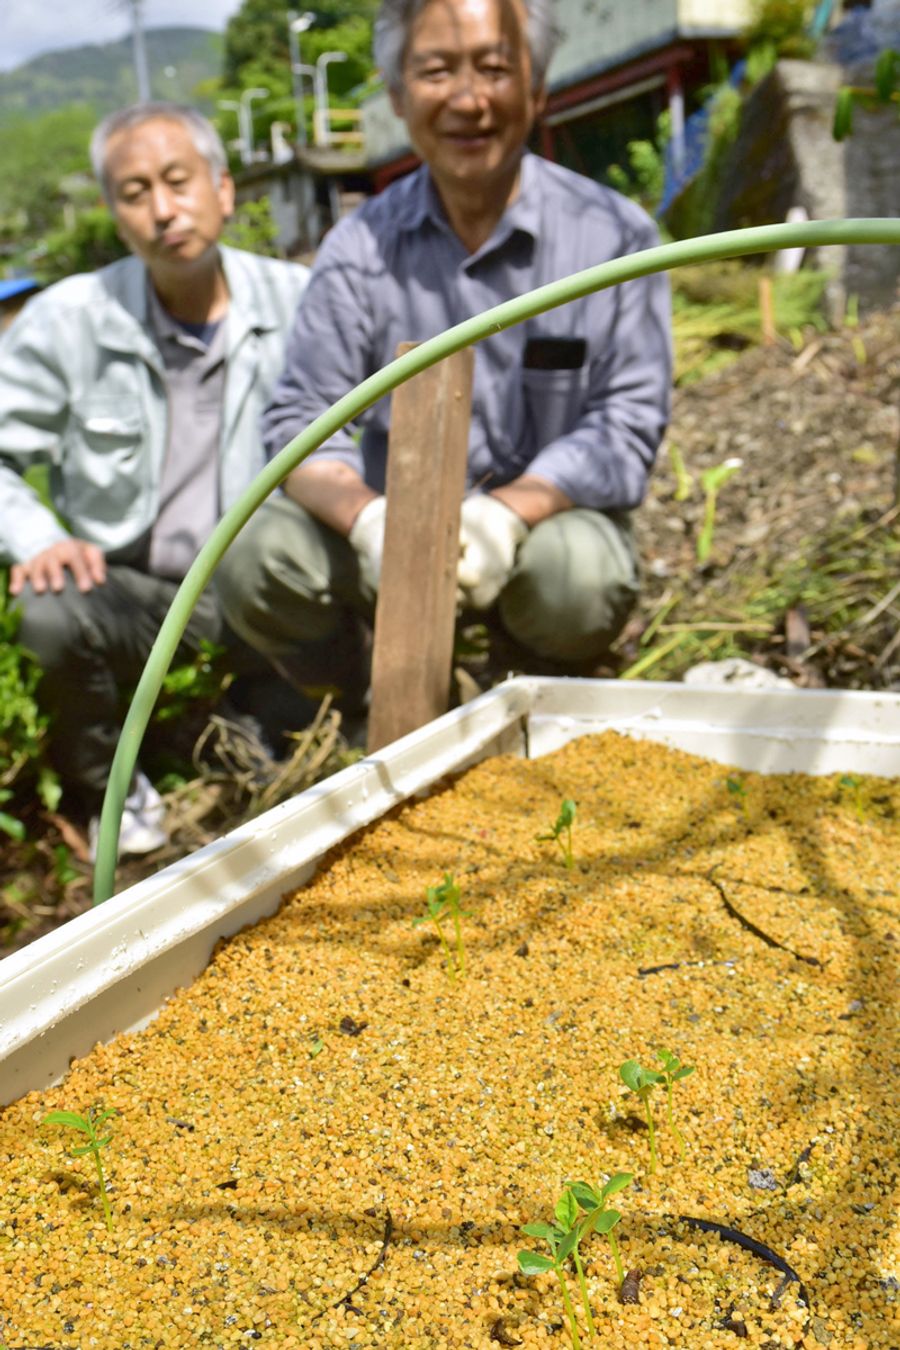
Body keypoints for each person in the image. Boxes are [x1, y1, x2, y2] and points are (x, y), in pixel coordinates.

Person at [217, 0, 671, 712]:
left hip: (540, 531)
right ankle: (354, 693)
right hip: (389, 534)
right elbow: (300, 422)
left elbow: (629, 420)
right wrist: (371, 521)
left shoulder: (616, 236)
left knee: (579, 577)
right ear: (397, 96)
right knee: (257, 559)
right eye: (436, 70)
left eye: (495, 68)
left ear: (538, 87)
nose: (468, 99)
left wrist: (508, 514)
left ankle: (523, 694)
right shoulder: (358, 249)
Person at [0, 102, 309, 856]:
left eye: (178, 181)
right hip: (140, 601)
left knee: (276, 772)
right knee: (47, 608)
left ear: (224, 189)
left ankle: (236, 724)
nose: (163, 211)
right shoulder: (69, 317)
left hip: (264, 597)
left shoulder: (299, 301)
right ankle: (106, 791)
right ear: (114, 212)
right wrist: (39, 536)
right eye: (135, 193)